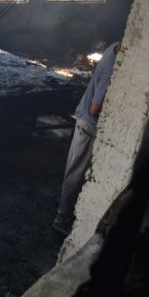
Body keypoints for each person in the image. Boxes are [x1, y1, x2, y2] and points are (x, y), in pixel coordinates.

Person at [52, 42, 122, 235]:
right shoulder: (111, 72)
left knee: (75, 169)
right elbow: (95, 109)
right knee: (76, 172)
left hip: (84, 120)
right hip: (89, 124)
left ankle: (66, 206)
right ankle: (62, 218)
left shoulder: (112, 48)